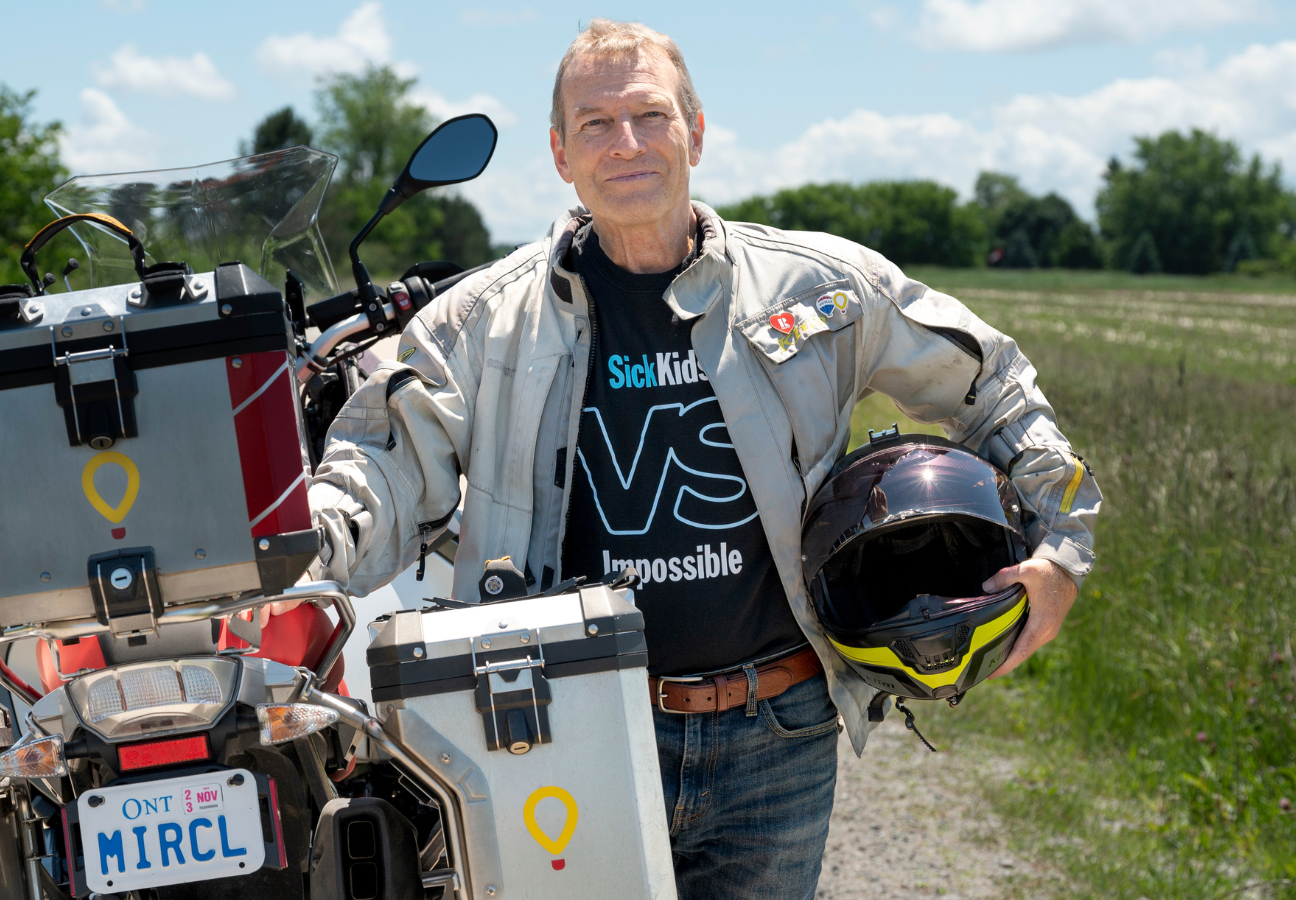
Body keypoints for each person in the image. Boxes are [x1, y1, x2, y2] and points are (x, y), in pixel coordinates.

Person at [301, 18, 1100, 900]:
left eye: (650, 115)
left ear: (698, 131)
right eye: (597, 124)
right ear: (561, 154)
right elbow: (381, 465)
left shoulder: (819, 290)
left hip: (780, 734)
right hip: (563, 734)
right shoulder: (479, 321)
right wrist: (300, 544)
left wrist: (1061, 550)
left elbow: (996, 386)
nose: (628, 143)